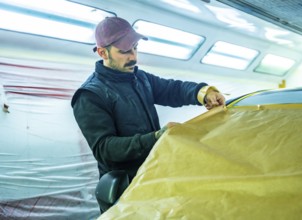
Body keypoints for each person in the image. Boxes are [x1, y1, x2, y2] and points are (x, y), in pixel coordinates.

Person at [71, 16, 225, 208]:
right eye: (125, 52)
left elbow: (171, 89)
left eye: (135, 48)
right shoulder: (90, 95)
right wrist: (156, 137)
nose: (134, 57)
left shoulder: (138, 77)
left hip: (152, 175)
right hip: (125, 191)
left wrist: (202, 92)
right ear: (103, 53)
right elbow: (106, 149)